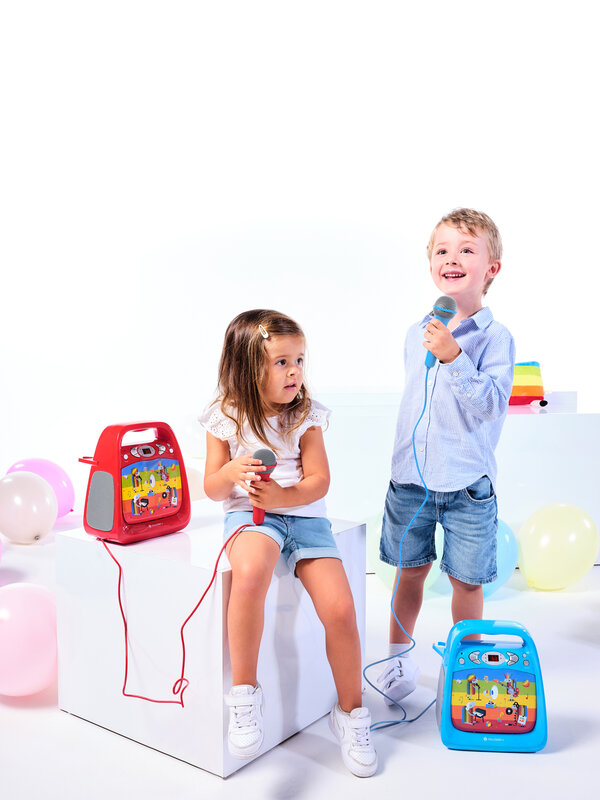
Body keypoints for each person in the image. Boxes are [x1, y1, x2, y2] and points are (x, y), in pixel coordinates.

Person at [201, 309, 377, 778]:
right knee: (250, 574)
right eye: (282, 362)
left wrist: (284, 496)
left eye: (299, 359)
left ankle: (351, 712)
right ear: (247, 367)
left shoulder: (305, 415)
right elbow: (213, 489)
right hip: (250, 515)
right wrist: (230, 472)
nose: (295, 371)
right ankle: (245, 694)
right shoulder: (226, 416)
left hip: (305, 517)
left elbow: (319, 481)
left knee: (340, 609)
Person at [377, 209, 515, 706]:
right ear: (431, 264)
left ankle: (466, 665)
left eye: (466, 250)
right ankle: (396, 657)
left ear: (491, 269)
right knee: (408, 572)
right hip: (410, 480)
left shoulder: (495, 338)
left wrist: (455, 356)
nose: (451, 258)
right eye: (442, 250)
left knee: (466, 582)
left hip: (466, 486)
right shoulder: (418, 330)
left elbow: (490, 406)